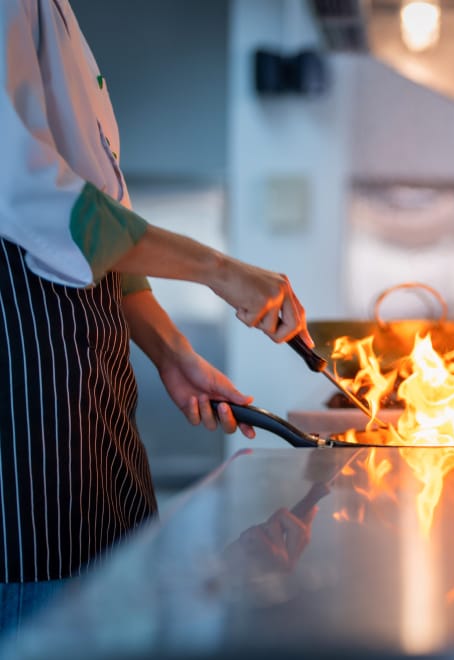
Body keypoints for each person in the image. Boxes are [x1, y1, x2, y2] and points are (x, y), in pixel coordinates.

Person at [0, 0, 312, 631]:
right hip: (23, 402)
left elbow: (98, 204)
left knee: (111, 583)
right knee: (47, 607)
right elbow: (30, 198)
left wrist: (172, 351)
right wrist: (221, 270)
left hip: (88, 380)